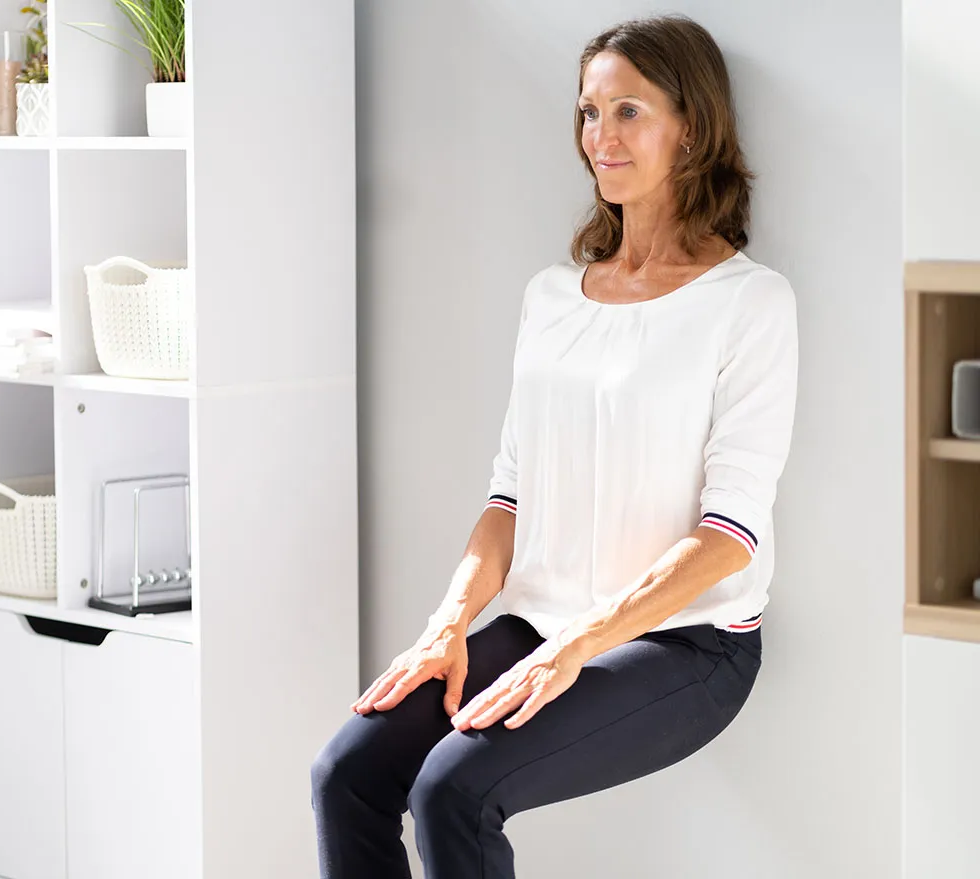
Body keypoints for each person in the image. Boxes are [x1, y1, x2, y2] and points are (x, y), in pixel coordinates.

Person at [311, 13, 798, 879]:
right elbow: (509, 497)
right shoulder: (552, 297)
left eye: (627, 112)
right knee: (348, 773)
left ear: (692, 125)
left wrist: (578, 645)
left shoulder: (748, 304)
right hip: (546, 620)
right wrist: (446, 625)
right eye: (587, 113)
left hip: (689, 642)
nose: (599, 138)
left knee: (451, 791)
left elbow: (730, 537)